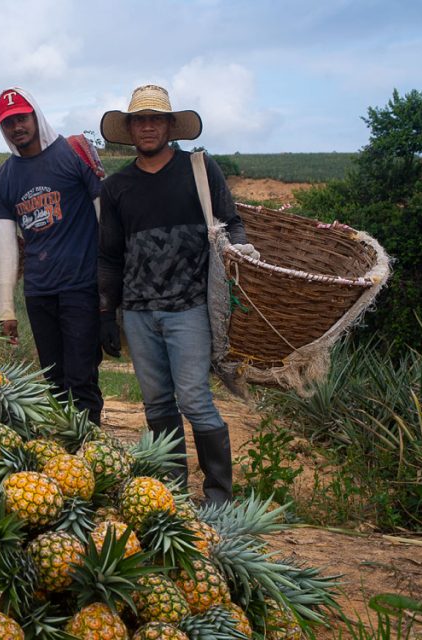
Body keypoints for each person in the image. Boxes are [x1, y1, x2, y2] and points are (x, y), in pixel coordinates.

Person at [97, 84, 254, 505]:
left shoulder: (200, 169)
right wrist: (106, 313)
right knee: (157, 404)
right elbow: (110, 256)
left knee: (194, 399)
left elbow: (231, 223)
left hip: (190, 307)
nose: (147, 127)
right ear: (129, 130)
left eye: (155, 119)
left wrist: (241, 255)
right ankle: (172, 495)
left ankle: (219, 496)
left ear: (170, 126)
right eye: (139, 121)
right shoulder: (116, 187)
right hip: (139, 312)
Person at [0, 87, 107, 424]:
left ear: (36, 116)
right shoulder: (3, 178)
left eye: (22, 118)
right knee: (54, 381)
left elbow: (105, 216)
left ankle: (89, 450)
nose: (16, 128)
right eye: (8, 123)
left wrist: (111, 287)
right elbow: (6, 242)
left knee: (81, 378)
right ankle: (64, 452)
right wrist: (6, 307)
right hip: (39, 292)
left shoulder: (73, 154)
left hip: (80, 285)